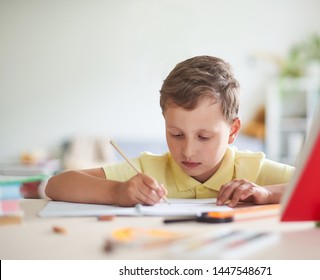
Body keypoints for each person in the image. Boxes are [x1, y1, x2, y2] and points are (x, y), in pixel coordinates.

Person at [45, 55, 295, 207]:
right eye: (176, 134)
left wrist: (266, 193)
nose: (187, 150)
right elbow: (56, 185)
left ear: (233, 130)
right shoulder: (147, 171)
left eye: (204, 136)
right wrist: (118, 191)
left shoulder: (252, 170)